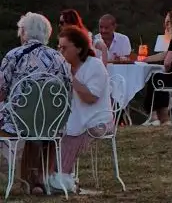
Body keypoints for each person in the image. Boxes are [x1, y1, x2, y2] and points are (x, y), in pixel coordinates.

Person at [0, 13, 71, 195]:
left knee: (23, 118)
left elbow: (1, 90)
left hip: (18, 121)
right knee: (38, 126)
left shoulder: (14, 55)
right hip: (51, 122)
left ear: (23, 31)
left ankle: (20, 178)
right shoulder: (59, 58)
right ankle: (37, 179)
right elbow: (67, 91)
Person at [50, 26, 113, 193]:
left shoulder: (95, 66)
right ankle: (46, 175)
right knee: (50, 131)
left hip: (98, 120)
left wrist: (71, 77)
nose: (60, 51)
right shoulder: (63, 68)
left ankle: (61, 177)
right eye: (58, 47)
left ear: (78, 48)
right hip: (73, 117)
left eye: (64, 48)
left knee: (73, 130)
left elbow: (91, 98)